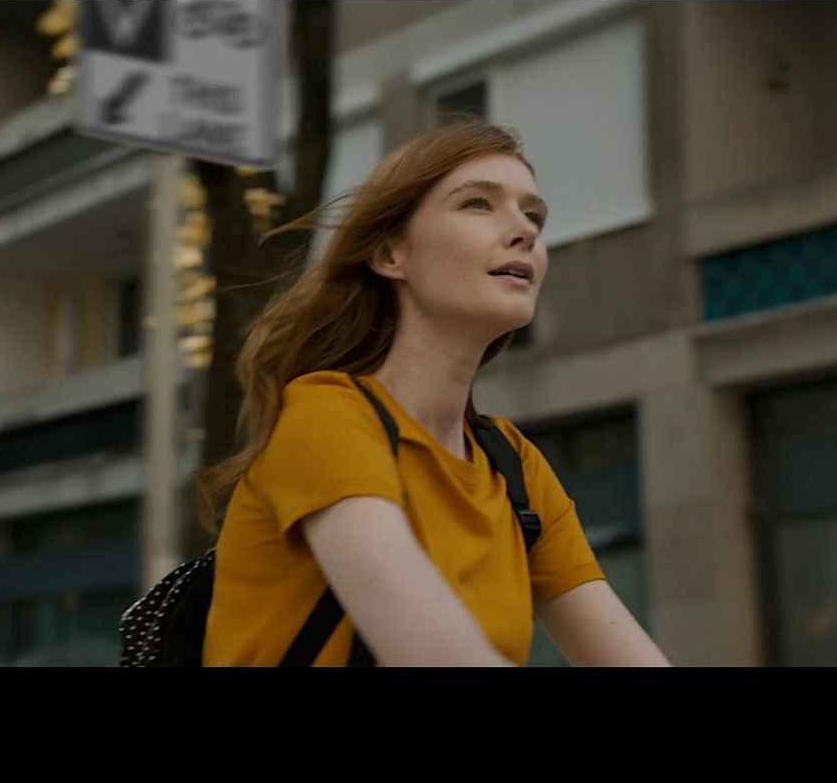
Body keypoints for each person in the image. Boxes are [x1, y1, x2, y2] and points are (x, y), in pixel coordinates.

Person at [199, 121, 672, 667]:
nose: (525, 231)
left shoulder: (513, 468)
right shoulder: (326, 416)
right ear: (390, 255)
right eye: (478, 204)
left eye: (534, 215)